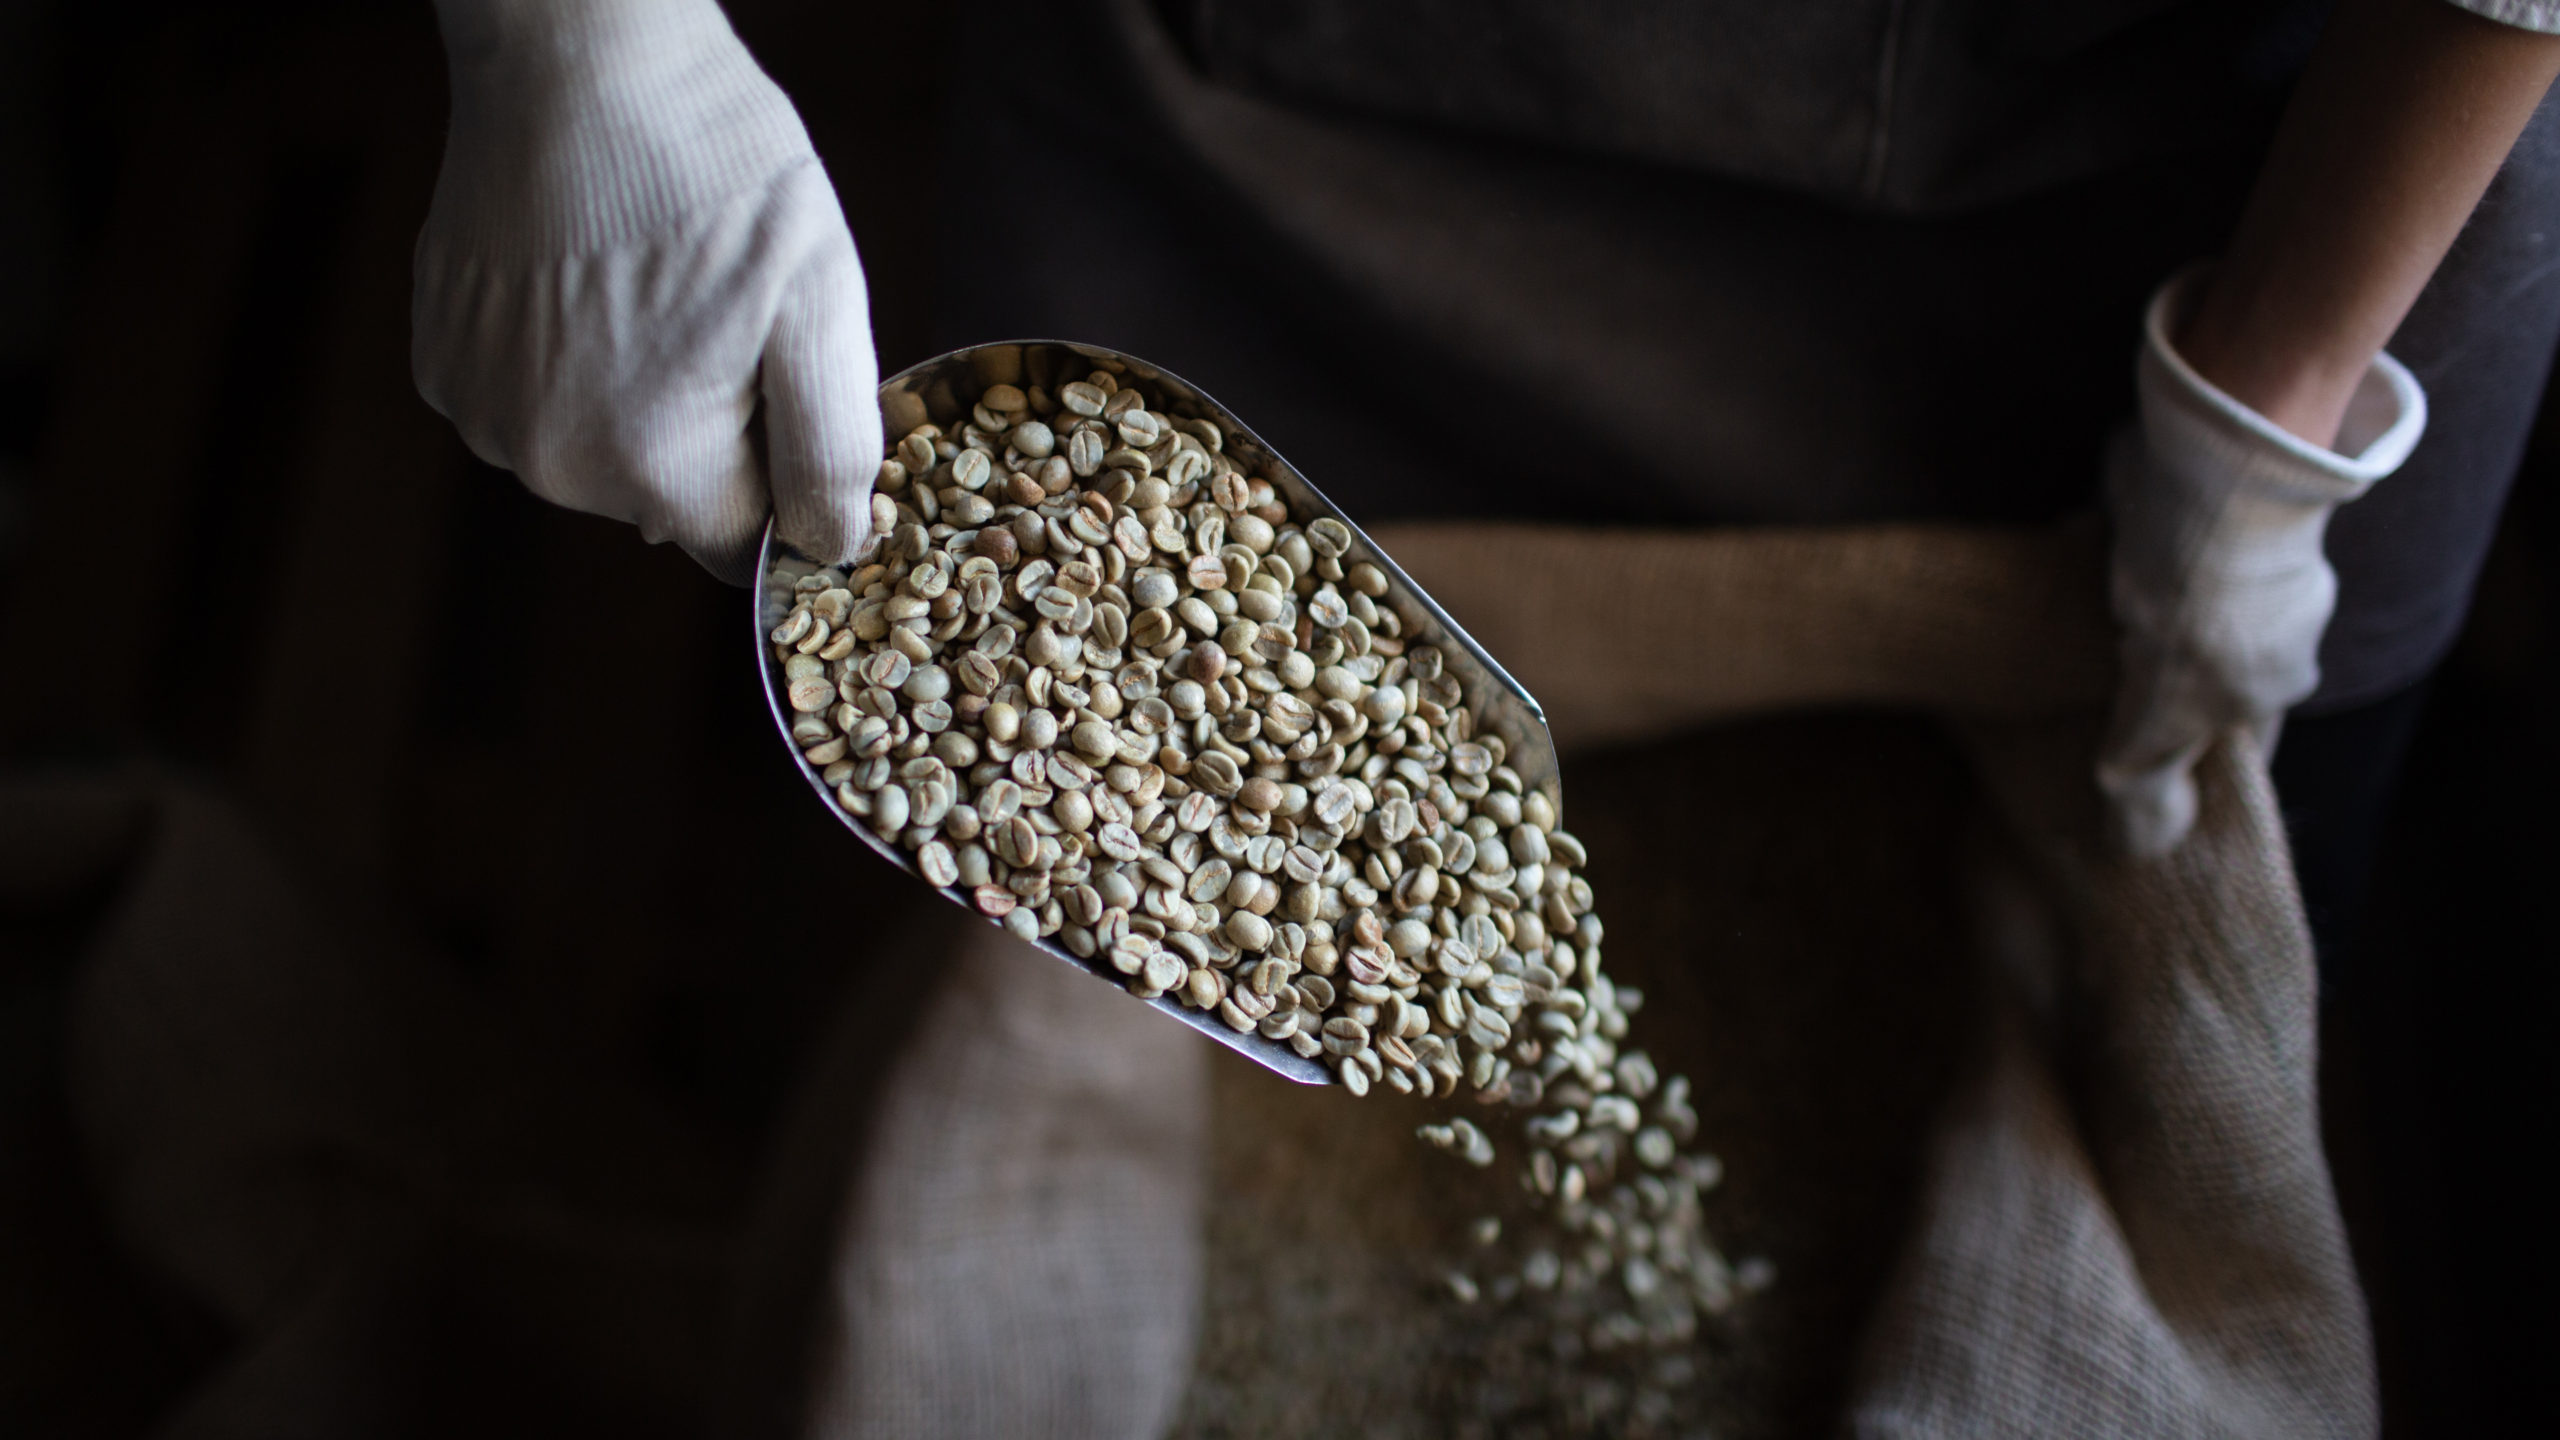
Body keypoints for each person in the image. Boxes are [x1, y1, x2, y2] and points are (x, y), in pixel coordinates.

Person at [412, 0, 2560, 887]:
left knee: (2170, 865)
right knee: (1082, 797)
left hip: (2235, 162)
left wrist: (2263, 413)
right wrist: (577, 35)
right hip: (1260, 99)